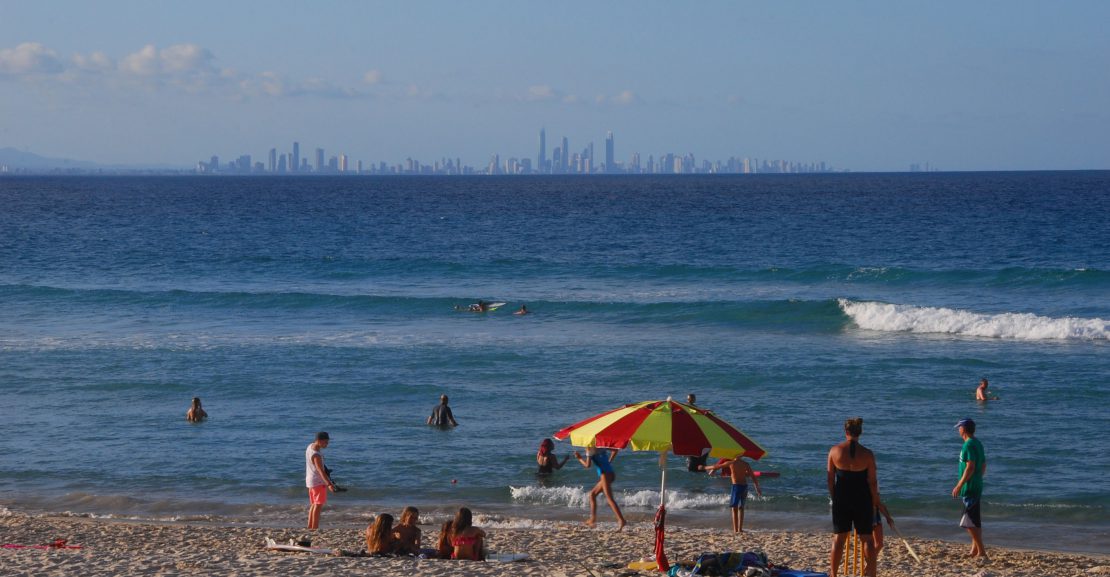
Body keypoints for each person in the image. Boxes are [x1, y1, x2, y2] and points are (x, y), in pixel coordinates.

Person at [827, 417, 880, 577]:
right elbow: (872, 481)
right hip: (862, 498)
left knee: (839, 539)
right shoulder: (867, 454)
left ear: (846, 432)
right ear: (860, 433)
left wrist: (834, 497)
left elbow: (830, 479)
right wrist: (875, 500)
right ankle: (869, 573)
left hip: (842, 497)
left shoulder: (834, 451)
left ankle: (834, 574)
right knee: (867, 539)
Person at [952, 418, 988, 559]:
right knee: (974, 520)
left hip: (970, 487)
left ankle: (982, 551)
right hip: (977, 485)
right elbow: (983, 464)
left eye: (959, 427)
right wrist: (979, 478)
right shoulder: (977, 443)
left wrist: (959, 485)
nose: (958, 430)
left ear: (964, 429)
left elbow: (970, 467)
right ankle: (974, 550)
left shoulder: (968, 445)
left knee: (967, 522)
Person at [573, 447, 627, 530]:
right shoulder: (601, 445)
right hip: (610, 473)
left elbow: (587, 465)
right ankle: (592, 520)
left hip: (605, 475)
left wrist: (579, 458)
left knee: (609, 499)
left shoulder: (589, 449)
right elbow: (615, 450)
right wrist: (609, 461)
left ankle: (621, 520)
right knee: (592, 495)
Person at [705, 455, 762, 533]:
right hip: (744, 486)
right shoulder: (746, 464)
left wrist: (704, 467)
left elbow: (715, 467)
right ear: (742, 455)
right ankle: (740, 529)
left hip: (736, 486)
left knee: (734, 508)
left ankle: (736, 530)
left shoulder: (730, 463)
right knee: (741, 508)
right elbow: (753, 476)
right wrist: (757, 488)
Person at [305, 431, 338, 530]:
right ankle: (314, 528)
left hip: (311, 480)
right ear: (319, 441)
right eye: (325, 442)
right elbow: (320, 470)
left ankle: (310, 526)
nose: (327, 444)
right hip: (318, 482)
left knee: (313, 504)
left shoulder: (310, 446)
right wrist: (329, 484)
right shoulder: (316, 455)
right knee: (318, 505)